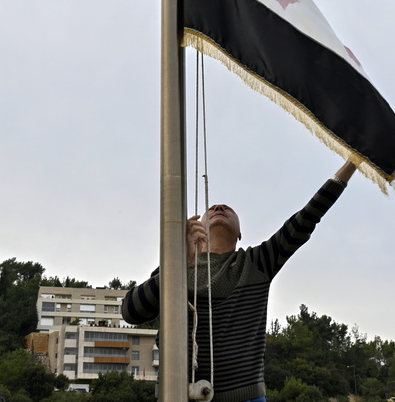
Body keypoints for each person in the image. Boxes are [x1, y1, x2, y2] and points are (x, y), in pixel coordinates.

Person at [121, 161, 356, 402]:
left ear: (240, 233)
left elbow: (307, 217)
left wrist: (352, 164)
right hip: (178, 395)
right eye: (211, 209)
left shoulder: (257, 262)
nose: (219, 207)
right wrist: (180, 261)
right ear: (197, 227)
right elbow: (131, 312)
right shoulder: (175, 267)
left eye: (228, 209)